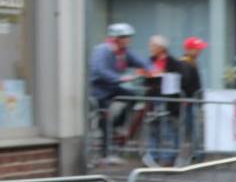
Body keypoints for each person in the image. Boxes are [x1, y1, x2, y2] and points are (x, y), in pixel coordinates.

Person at [89, 23, 148, 149]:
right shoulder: (103, 50)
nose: (128, 40)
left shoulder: (125, 52)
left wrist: (151, 69)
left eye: (129, 37)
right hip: (99, 88)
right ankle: (105, 153)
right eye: (125, 37)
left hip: (112, 86)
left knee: (132, 97)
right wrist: (120, 78)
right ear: (117, 38)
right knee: (104, 116)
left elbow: (139, 61)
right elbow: (100, 70)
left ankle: (116, 125)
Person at [142, 35, 183, 168]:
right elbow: (145, 81)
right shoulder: (149, 61)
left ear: (161, 48)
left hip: (167, 100)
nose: (150, 48)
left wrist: (161, 75)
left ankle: (168, 157)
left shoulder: (173, 62)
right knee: (153, 128)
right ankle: (153, 156)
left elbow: (176, 81)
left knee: (168, 129)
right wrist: (148, 76)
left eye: (152, 46)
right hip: (153, 98)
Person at [180, 36, 207, 163]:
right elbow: (186, 83)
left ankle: (195, 154)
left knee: (193, 130)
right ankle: (193, 155)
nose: (199, 51)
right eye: (197, 49)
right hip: (190, 103)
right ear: (189, 49)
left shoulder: (191, 62)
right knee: (192, 130)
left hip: (192, 101)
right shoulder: (186, 63)